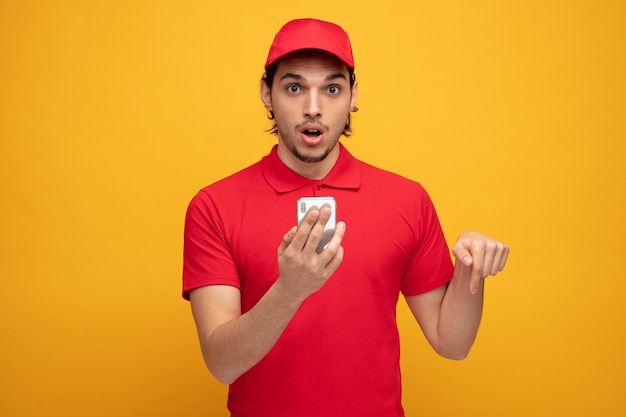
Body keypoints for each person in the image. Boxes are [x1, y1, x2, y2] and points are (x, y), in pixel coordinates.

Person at [182, 18, 510, 417]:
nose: (313, 108)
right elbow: (222, 363)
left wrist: (470, 270)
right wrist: (290, 291)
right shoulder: (215, 206)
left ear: (354, 94)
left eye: (332, 89)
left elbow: (452, 342)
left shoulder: (407, 199)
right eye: (294, 87)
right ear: (267, 94)